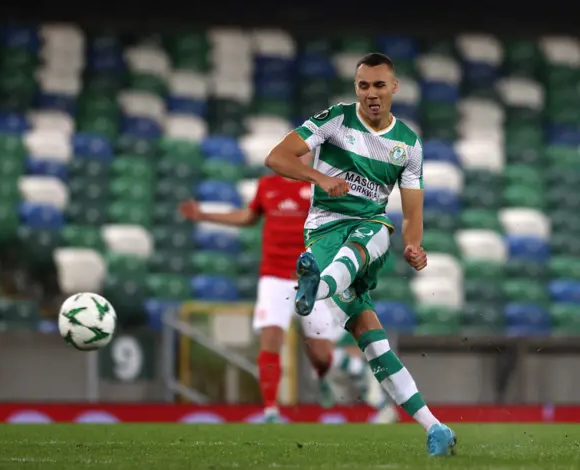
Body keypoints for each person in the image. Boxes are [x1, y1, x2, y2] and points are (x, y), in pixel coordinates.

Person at [264, 52, 456, 455]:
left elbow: (413, 212)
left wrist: (415, 245)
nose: (371, 93)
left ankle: (314, 289)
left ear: (394, 88)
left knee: (376, 228)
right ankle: (435, 428)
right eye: (363, 85)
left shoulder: (408, 144)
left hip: (367, 233)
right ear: (357, 88)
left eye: (379, 85)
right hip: (324, 233)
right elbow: (276, 157)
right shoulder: (334, 119)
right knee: (375, 345)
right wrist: (317, 175)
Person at [180, 160, 368, 422]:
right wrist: (204, 215)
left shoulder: (319, 187)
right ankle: (270, 410)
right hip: (274, 277)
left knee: (321, 353)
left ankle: (330, 373)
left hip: (311, 279)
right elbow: (247, 217)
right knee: (270, 338)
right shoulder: (267, 186)